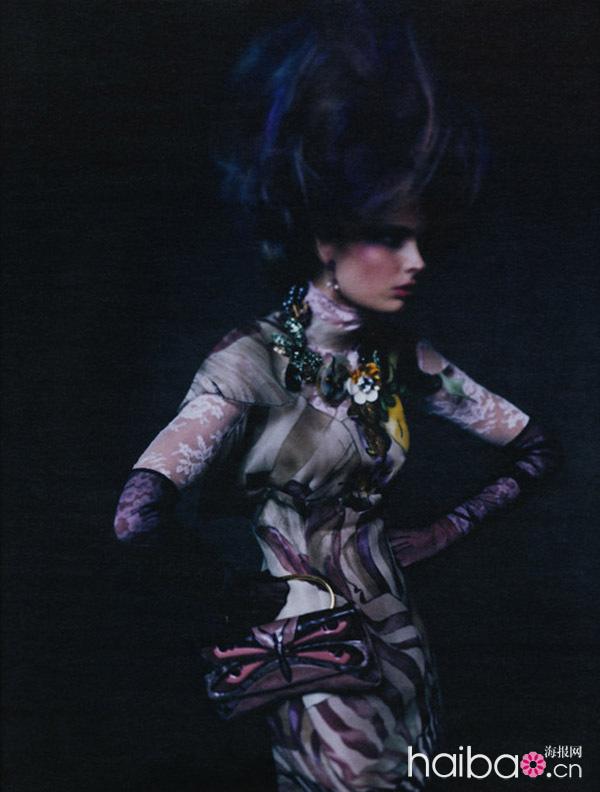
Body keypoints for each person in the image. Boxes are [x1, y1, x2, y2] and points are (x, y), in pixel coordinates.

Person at [113, 8, 561, 791]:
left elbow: (537, 448)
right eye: (389, 237)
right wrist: (256, 594)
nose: (416, 261)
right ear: (324, 237)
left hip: (400, 636)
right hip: (312, 653)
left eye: (421, 237)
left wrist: (444, 531)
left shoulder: (403, 358)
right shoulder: (249, 361)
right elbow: (137, 513)